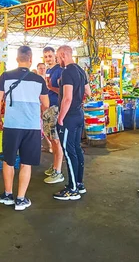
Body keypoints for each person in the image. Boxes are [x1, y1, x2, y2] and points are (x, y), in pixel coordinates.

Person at [0, 46, 49, 211]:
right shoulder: (39, 80)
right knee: (26, 163)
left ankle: (8, 195)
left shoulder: (6, 76)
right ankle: (21, 199)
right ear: (31, 59)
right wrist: (36, 113)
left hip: (11, 125)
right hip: (31, 127)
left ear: (17, 59)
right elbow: (46, 104)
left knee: (9, 161)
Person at [53, 45, 90, 201]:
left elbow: (67, 98)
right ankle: (79, 184)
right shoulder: (81, 70)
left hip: (69, 117)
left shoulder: (67, 71)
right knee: (76, 149)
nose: (57, 60)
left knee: (69, 153)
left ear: (63, 55)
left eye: (56, 57)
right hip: (79, 115)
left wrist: (60, 118)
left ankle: (73, 189)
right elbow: (88, 92)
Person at [42, 47, 65, 185]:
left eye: (50, 56)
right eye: (45, 56)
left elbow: (64, 91)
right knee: (52, 139)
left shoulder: (59, 71)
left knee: (56, 140)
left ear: (55, 56)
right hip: (48, 108)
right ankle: (55, 165)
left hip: (56, 108)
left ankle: (58, 171)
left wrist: (49, 87)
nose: (48, 59)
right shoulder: (48, 71)